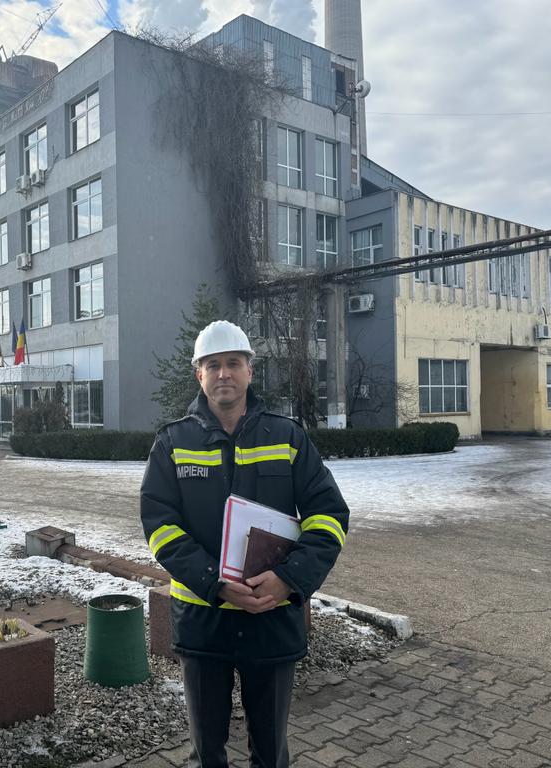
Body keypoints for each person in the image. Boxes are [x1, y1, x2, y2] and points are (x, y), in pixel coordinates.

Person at [140, 320, 350, 768]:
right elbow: (160, 526)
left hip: (271, 616)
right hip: (203, 616)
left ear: (250, 371)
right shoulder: (173, 442)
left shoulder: (288, 437)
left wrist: (289, 579)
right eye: (213, 364)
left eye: (234, 363)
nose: (224, 374)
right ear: (199, 374)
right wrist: (213, 582)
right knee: (207, 753)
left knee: (270, 753)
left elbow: (329, 517)